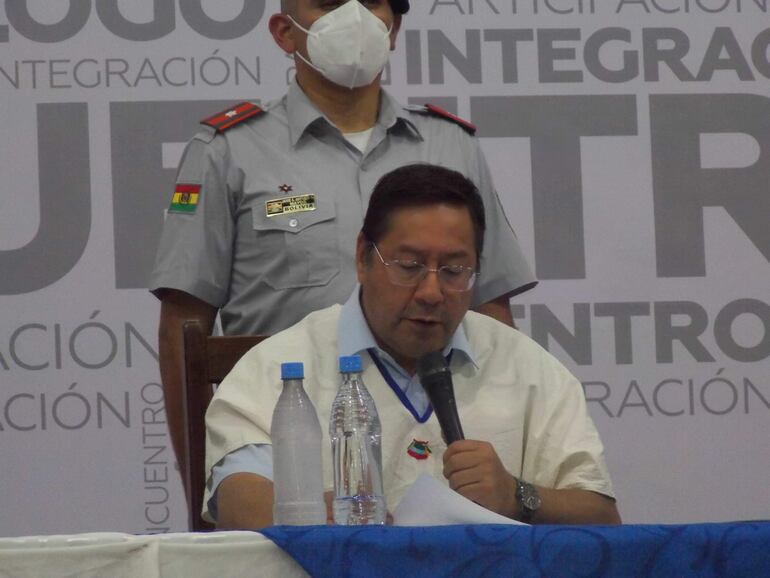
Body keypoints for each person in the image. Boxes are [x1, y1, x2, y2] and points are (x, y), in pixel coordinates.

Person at [149, 0, 536, 482]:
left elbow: (490, 312)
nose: (352, 16)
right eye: (329, 2)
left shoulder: (451, 145)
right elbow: (182, 329)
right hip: (286, 443)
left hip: (435, 444)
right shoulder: (228, 150)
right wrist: (206, 488)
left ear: (393, 29)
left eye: (371, 1)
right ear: (283, 33)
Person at [205, 164, 620, 528]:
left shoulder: (530, 369)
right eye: (409, 266)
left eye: (455, 270)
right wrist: (309, 515)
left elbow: (602, 518)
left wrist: (519, 495)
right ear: (362, 257)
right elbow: (237, 498)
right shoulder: (280, 365)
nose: (432, 291)